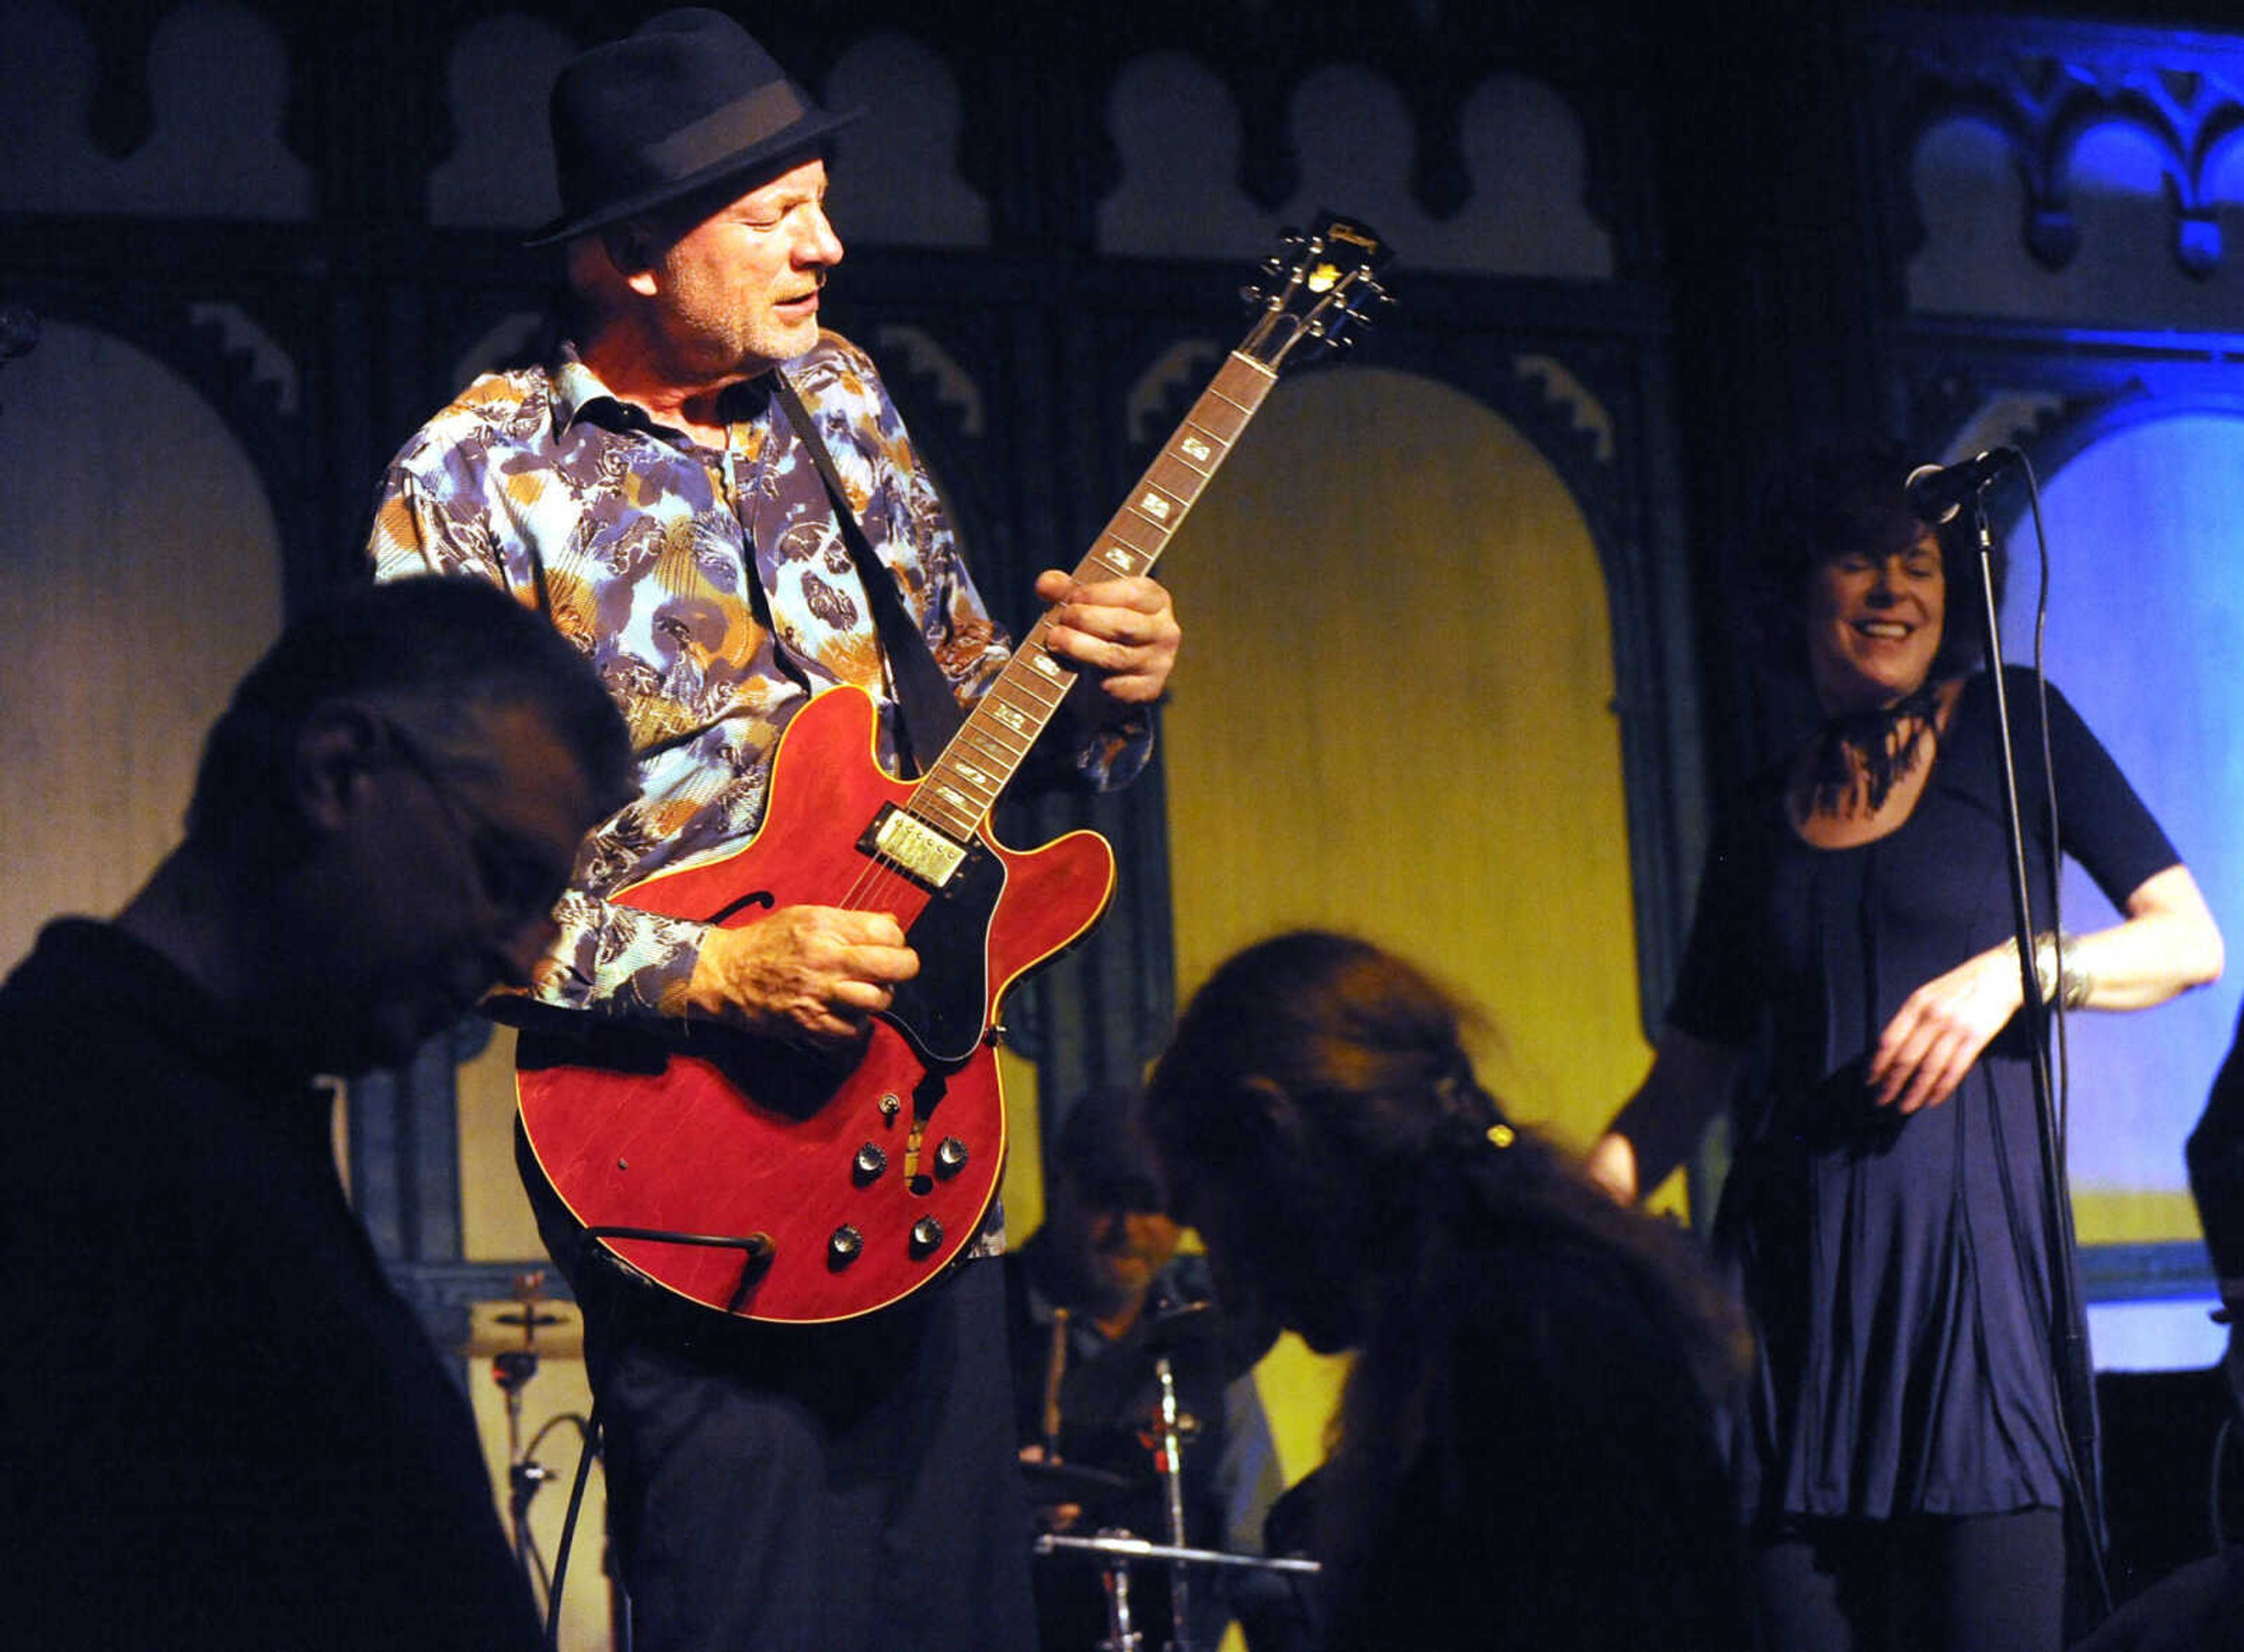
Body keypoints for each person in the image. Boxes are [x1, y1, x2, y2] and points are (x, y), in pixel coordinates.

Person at [366, 12, 1181, 1651]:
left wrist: (1106, 698)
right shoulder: (472, 481)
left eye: (822, 198)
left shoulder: (849, 403)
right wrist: (713, 976)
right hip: (680, 1155)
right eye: (773, 214)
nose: (829, 246)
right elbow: (421, 884)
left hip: (922, 1121)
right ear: (627, 255)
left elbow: (974, 746)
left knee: (962, 1609)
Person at [1584, 436, 2224, 1652]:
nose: (1894, 590)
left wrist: (2024, 970)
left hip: (1973, 1321)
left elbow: (2189, 941)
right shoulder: (1754, 817)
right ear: (1798, 592)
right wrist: (1553, 1219)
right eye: (1858, 562)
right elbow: (1686, 1084)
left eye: (1917, 563)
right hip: (1791, 1321)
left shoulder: (2013, 725)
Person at [0, 576, 636, 1651]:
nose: (521, 954)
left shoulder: (219, 1109)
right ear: (337, 769)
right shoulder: (69, 1129)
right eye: (504, 873)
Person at [1142, 929, 1752, 1652]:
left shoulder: (1530, 1332)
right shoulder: (1499, 1294)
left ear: (1275, 1129)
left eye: (1207, 1220)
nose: (1228, 1283)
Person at [1003, 1085, 1286, 1651]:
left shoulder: (1207, 1338)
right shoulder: (983, 1315)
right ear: (1061, 1185)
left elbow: (1254, 1548)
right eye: (1107, 1197)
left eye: (1152, 1202)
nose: (1128, 1227)